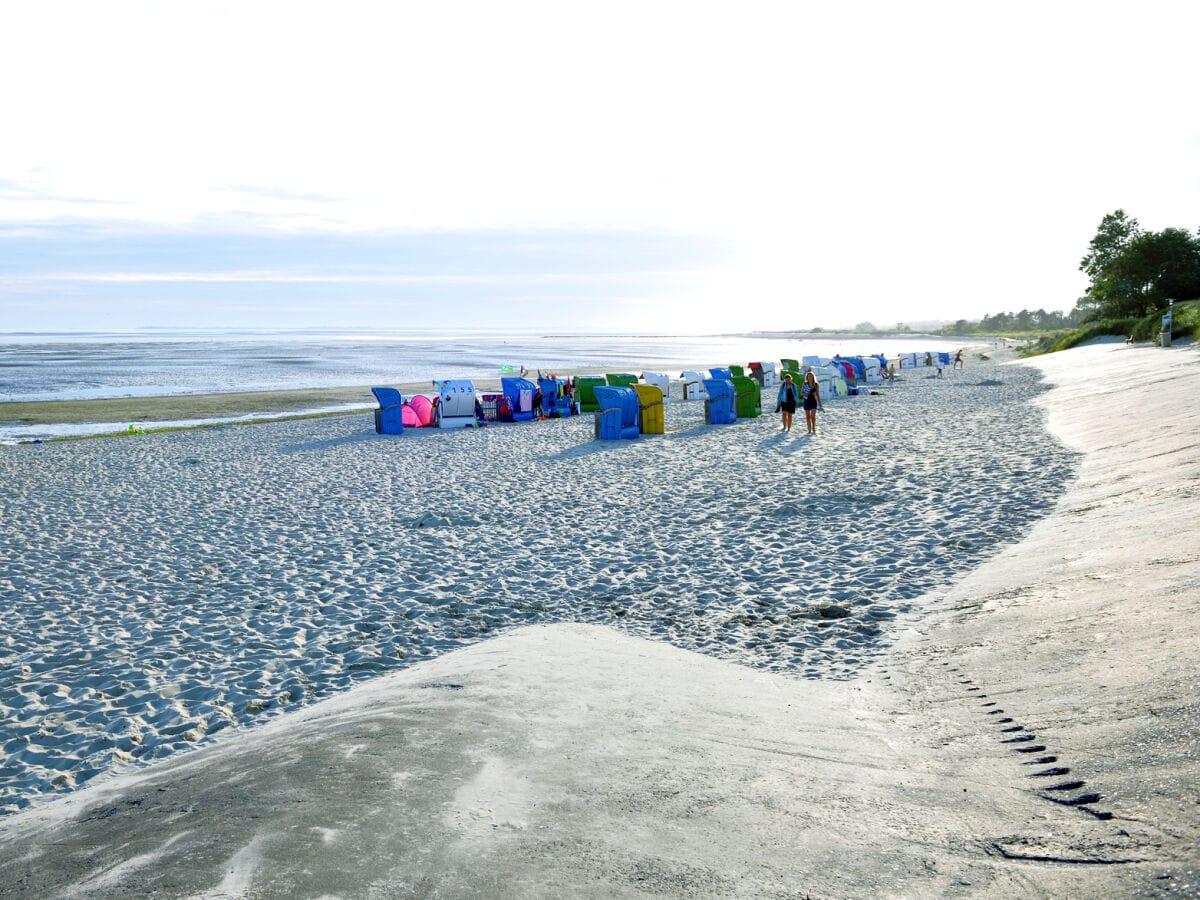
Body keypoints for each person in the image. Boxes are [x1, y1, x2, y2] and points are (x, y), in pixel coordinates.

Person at [801, 370, 824, 435]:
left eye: (811, 376)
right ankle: (809, 429)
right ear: (807, 377)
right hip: (806, 401)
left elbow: (818, 395)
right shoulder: (805, 384)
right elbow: (801, 393)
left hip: (813, 401)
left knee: (813, 416)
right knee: (808, 416)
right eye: (808, 376)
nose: (810, 377)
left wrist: (820, 405)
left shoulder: (816, 385)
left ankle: (813, 428)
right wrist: (805, 394)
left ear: (813, 377)